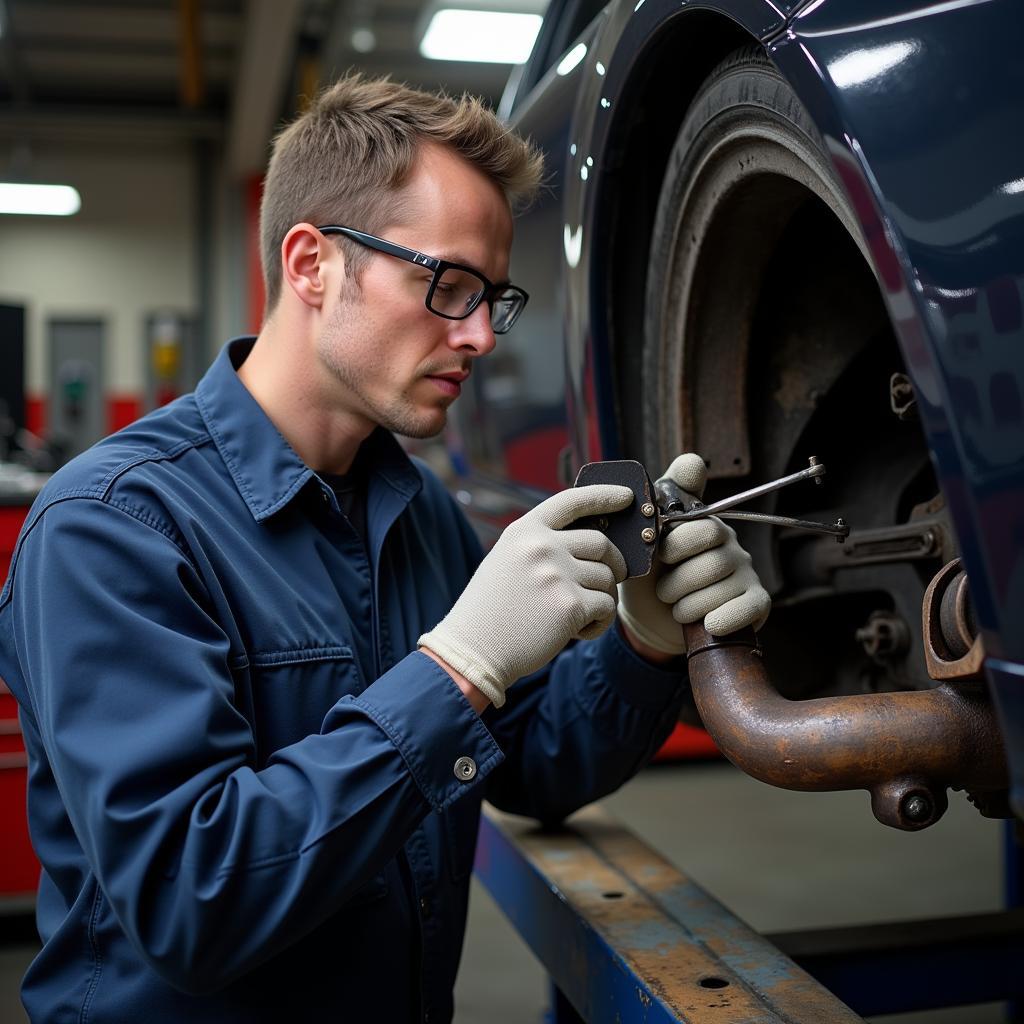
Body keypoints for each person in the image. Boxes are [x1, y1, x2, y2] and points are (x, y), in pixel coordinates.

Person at [0, 76, 770, 1023]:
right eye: (446, 286)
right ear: (312, 263)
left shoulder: (419, 515)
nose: (481, 335)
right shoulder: (113, 526)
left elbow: (534, 763)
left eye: (495, 297)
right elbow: (190, 901)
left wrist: (644, 644)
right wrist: (458, 669)